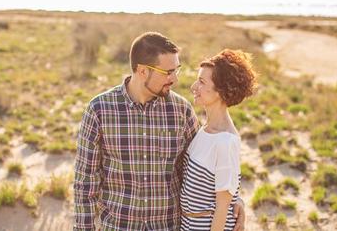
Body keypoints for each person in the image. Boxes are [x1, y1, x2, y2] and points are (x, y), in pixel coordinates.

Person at [74, 32, 246, 230]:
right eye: (168, 72)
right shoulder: (99, 109)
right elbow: (85, 182)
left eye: (176, 70)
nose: (174, 79)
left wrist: (234, 200)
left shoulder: (181, 111)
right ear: (143, 71)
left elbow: (202, 168)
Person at [180, 49, 256, 231]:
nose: (193, 87)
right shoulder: (204, 130)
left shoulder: (226, 142)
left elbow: (222, 209)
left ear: (221, 91)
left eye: (201, 81)